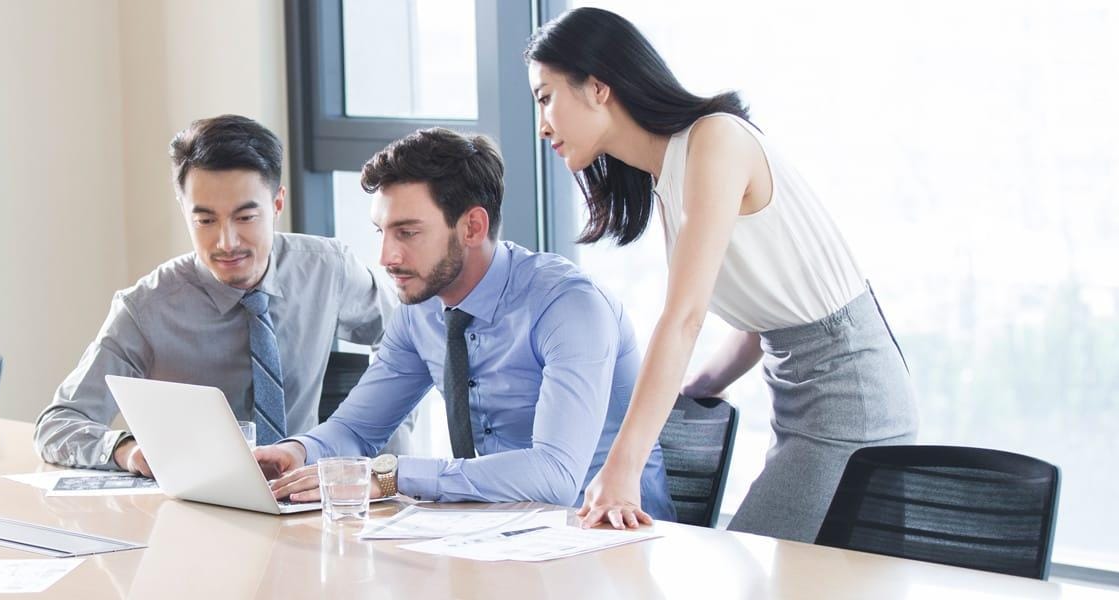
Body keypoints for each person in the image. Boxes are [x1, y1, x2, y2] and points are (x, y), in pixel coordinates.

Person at [526, 8, 918, 540]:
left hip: (849, 394)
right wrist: (697, 386)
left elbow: (684, 318)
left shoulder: (714, 140)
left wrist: (622, 468)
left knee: (761, 568)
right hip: (804, 393)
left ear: (597, 86)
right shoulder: (668, 178)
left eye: (545, 97)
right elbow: (763, 318)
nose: (541, 124)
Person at [254, 127, 674, 522]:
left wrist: (392, 476)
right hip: (498, 535)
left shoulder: (568, 306)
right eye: (381, 231)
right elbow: (357, 429)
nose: (386, 257)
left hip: (611, 538)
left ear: (473, 226)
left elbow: (555, 476)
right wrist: (299, 451)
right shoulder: (419, 312)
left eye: (407, 232)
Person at [35, 115, 400, 474]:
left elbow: (402, 336)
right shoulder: (146, 308)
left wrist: (379, 452)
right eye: (205, 221)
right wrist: (126, 451)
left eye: (245, 217)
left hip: (310, 495)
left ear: (277, 204)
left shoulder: (326, 269)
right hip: (200, 506)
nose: (227, 242)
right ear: (184, 210)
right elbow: (58, 424)